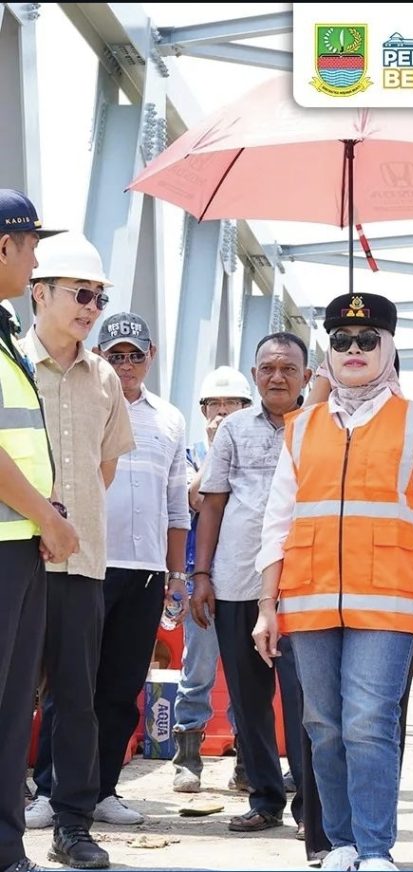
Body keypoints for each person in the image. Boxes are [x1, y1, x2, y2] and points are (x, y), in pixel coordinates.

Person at [252, 292, 413, 872]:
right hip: (309, 599)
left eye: (367, 340)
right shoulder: (301, 427)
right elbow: (277, 521)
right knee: (322, 725)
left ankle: (374, 848)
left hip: (388, 603)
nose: (354, 349)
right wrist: (267, 605)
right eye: (341, 340)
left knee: (369, 722)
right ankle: (340, 842)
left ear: (388, 348)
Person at [23, 232, 135, 870]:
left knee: (76, 701)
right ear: (40, 293)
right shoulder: (11, 363)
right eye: (81, 294)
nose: (92, 308)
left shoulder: (105, 380)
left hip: (83, 562)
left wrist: (72, 522)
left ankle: (72, 825)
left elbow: (104, 469)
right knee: (9, 698)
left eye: (98, 297)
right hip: (16, 559)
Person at [190, 332, 310, 834]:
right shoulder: (235, 429)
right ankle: (264, 798)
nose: (277, 377)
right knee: (249, 699)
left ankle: (312, 808)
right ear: (255, 374)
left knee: (306, 703)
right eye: (267, 368)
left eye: (288, 368)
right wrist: (201, 575)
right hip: (237, 579)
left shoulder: (321, 426)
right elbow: (213, 502)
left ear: (307, 375)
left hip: (302, 587)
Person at [80, 313, 189, 824]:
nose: (125, 365)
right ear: (98, 356)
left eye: (135, 355)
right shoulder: (83, 407)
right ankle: (53, 790)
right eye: (115, 355)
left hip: (145, 573)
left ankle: (103, 790)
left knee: (122, 688)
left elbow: (176, 505)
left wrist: (177, 575)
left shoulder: (169, 419)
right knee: (73, 685)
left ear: (151, 356)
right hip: (88, 566)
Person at [0, 189, 77, 872]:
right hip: (8, 543)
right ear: (5, 245)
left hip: (18, 547)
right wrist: (47, 515)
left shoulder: (3, 334)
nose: (35, 264)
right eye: (31, 249)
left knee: (11, 707)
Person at [172, 366, 252, 793]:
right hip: (198, 577)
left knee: (246, 674)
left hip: (244, 577)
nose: (222, 411)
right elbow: (196, 499)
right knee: (197, 669)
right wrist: (219, 449)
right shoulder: (189, 457)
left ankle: (247, 761)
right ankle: (187, 759)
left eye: (232, 403)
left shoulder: (256, 458)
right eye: (215, 404)